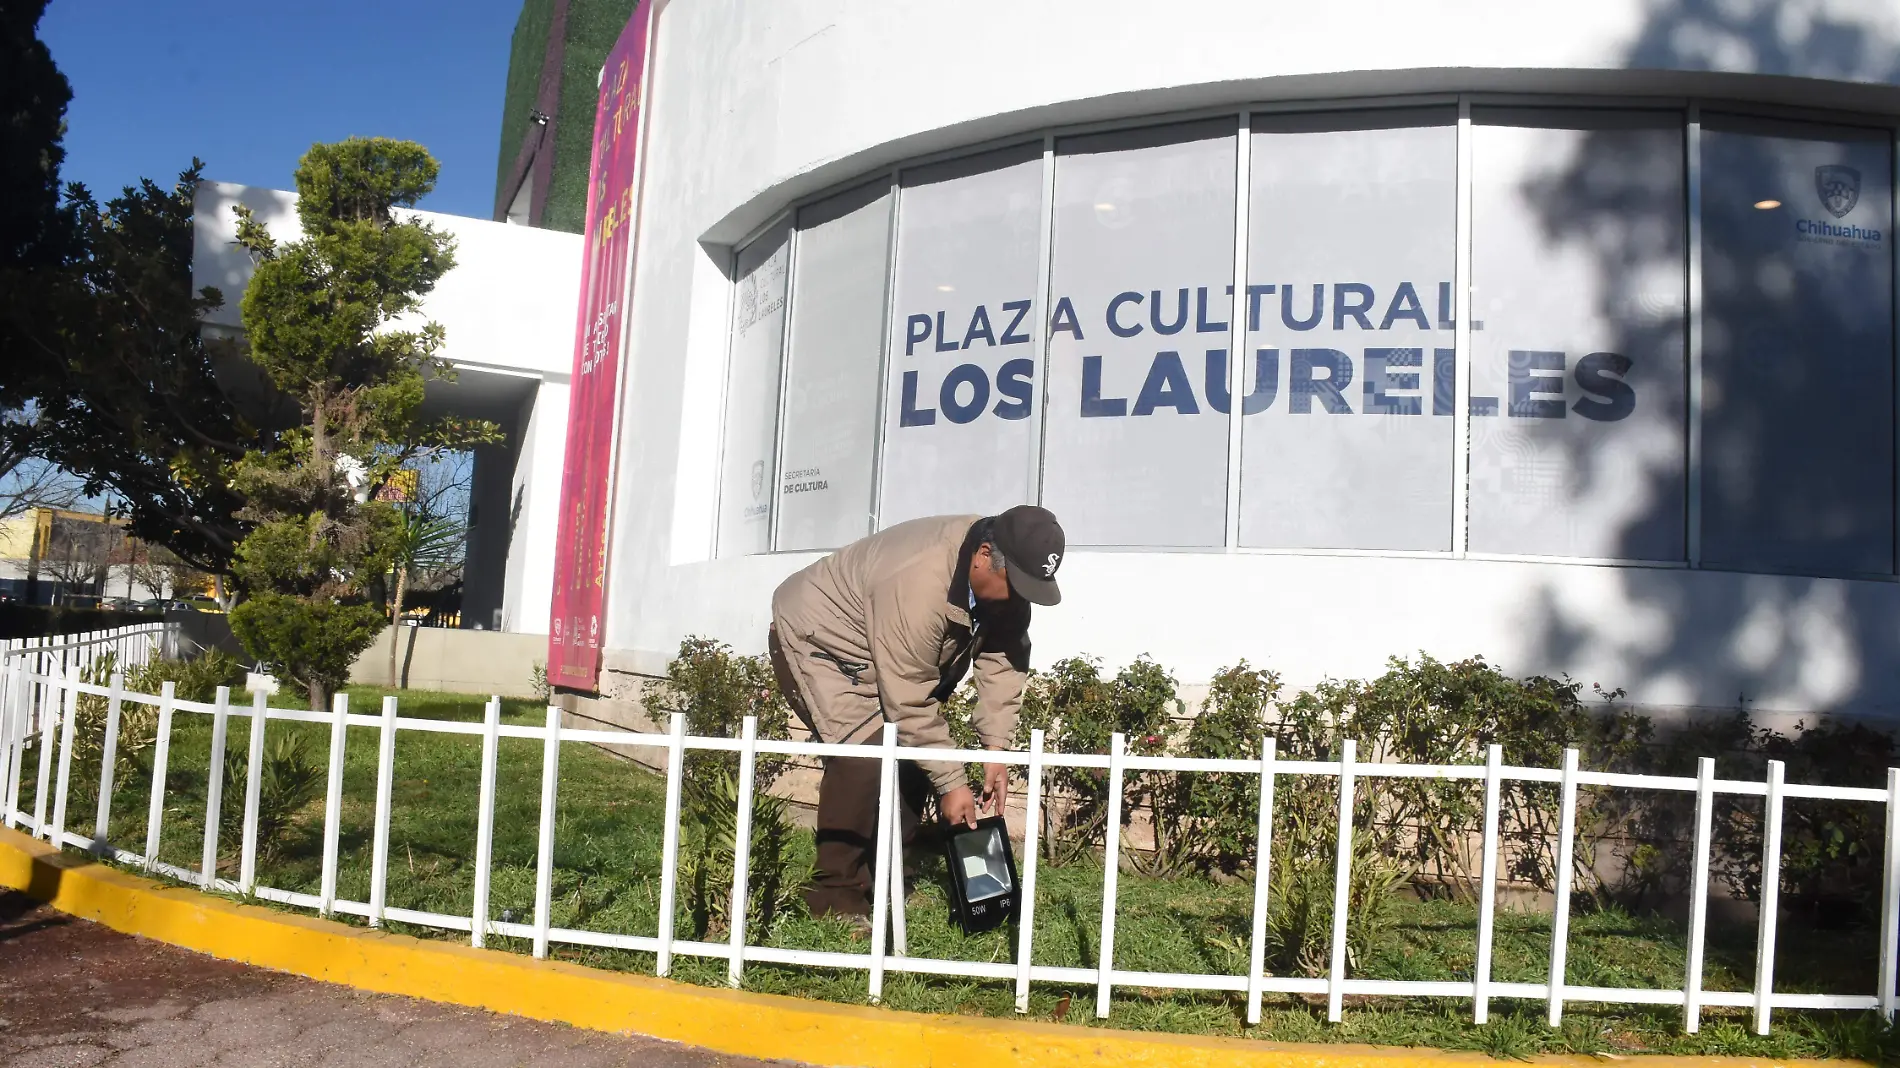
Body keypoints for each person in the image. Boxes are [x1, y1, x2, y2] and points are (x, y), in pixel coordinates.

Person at [767, 505, 1065, 920]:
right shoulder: (919, 580)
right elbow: (908, 702)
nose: (1020, 599)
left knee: (914, 761)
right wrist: (952, 783)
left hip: (885, 646)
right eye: (1016, 584)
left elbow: (1003, 658)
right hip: (821, 639)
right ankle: (834, 893)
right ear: (983, 555)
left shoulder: (1004, 580)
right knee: (864, 757)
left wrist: (996, 747)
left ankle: (888, 877)